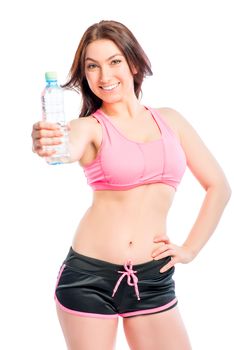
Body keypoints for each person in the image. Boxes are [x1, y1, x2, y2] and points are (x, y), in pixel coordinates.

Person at [31, 20, 231, 350]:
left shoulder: (172, 121)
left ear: (133, 63)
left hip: (153, 278)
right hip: (88, 279)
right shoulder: (90, 127)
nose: (104, 76)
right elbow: (67, 145)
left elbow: (219, 187)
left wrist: (190, 249)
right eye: (91, 66)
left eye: (114, 62)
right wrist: (48, 144)